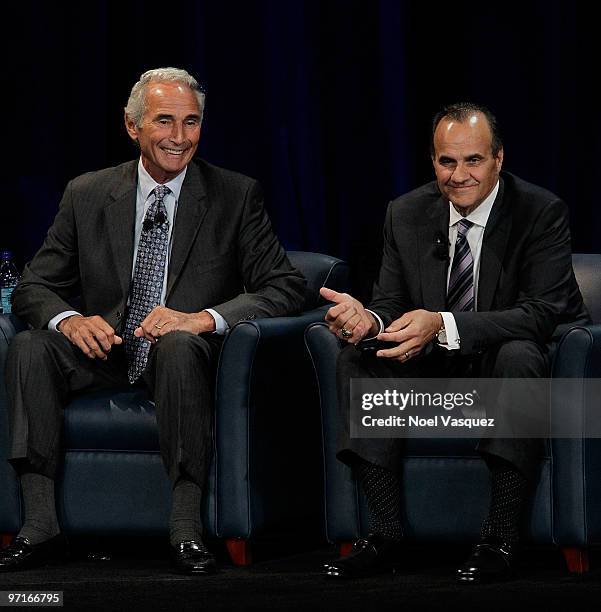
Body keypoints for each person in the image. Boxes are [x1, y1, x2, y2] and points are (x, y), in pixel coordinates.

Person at [0, 67, 306, 574]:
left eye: (192, 122)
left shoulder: (235, 195)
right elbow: (35, 285)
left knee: (180, 347)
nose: (180, 138)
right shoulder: (88, 193)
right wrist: (70, 320)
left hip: (181, 360)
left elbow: (285, 286)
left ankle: (186, 529)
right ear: (132, 125)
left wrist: (204, 320)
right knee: (32, 346)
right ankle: (40, 525)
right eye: (165, 121)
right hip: (108, 351)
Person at [319, 102, 590, 582]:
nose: (459, 175)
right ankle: (385, 536)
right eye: (447, 161)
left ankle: (500, 537)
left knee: (520, 353)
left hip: (508, 368)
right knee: (359, 360)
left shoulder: (539, 212)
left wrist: (443, 324)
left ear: (498, 159)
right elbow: (391, 301)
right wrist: (367, 322)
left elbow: (542, 312)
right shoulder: (405, 213)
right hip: (436, 373)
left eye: (473, 160)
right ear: (432, 160)